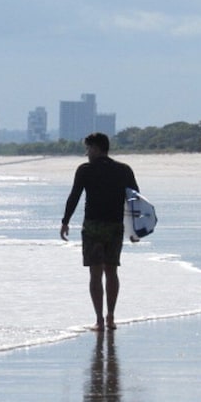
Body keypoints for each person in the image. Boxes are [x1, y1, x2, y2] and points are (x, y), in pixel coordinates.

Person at [60, 132, 138, 332]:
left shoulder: (85, 170)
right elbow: (134, 199)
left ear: (96, 149)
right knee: (112, 271)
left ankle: (99, 321)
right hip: (115, 226)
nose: (86, 153)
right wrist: (135, 229)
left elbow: (74, 197)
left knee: (95, 274)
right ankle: (111, 317)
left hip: (93, 226)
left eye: (88, 149)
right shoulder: (124, 170)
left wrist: (65, 221)